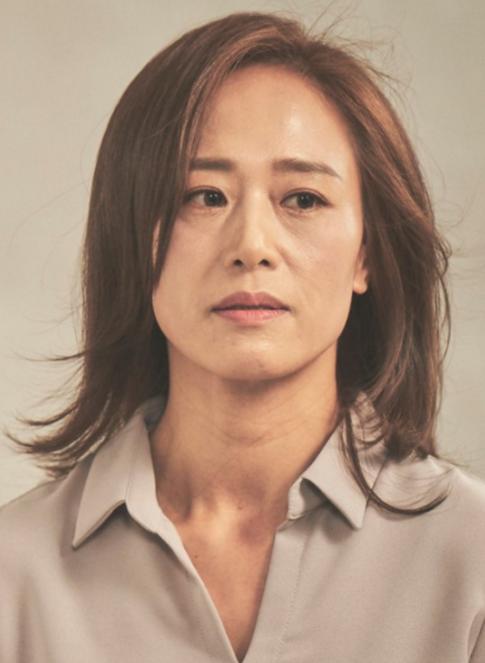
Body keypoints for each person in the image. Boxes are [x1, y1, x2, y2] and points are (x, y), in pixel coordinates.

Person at [1, 10, 484, 663]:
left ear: (366, 254)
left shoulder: (471, 557)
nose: (251, 245)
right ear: (133, 240)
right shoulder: (14, 572)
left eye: (302, 199)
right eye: (204, 196)